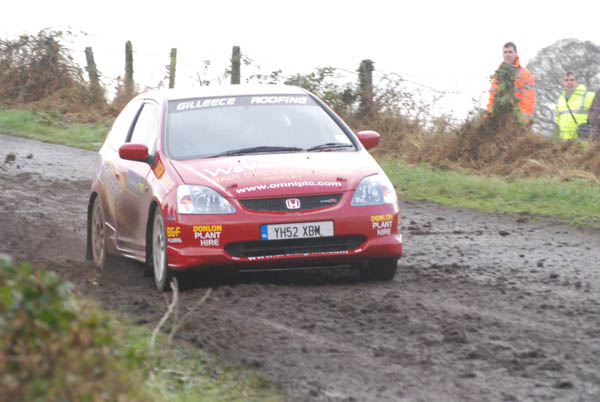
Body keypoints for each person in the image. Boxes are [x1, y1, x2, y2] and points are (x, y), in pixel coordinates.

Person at [486, 42, 536, 123]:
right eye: (505, 52)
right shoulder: (498, 75)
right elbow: (492, 98)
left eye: (510, 52)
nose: (507, 54)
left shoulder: (525, 75)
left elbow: (528, 100)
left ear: (516, 54)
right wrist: (488, 116)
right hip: (500, 119)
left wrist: (523, 121)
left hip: (518, 119)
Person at [554, 72, 596, 140]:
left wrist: (591, 126)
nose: (569, 82)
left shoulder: (589, 95)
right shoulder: (560, 100)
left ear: (577, 82)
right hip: (566, 142)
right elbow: (558, 119)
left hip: (584, 140)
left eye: (572, 80)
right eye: (566, 80)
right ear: (563, 83)